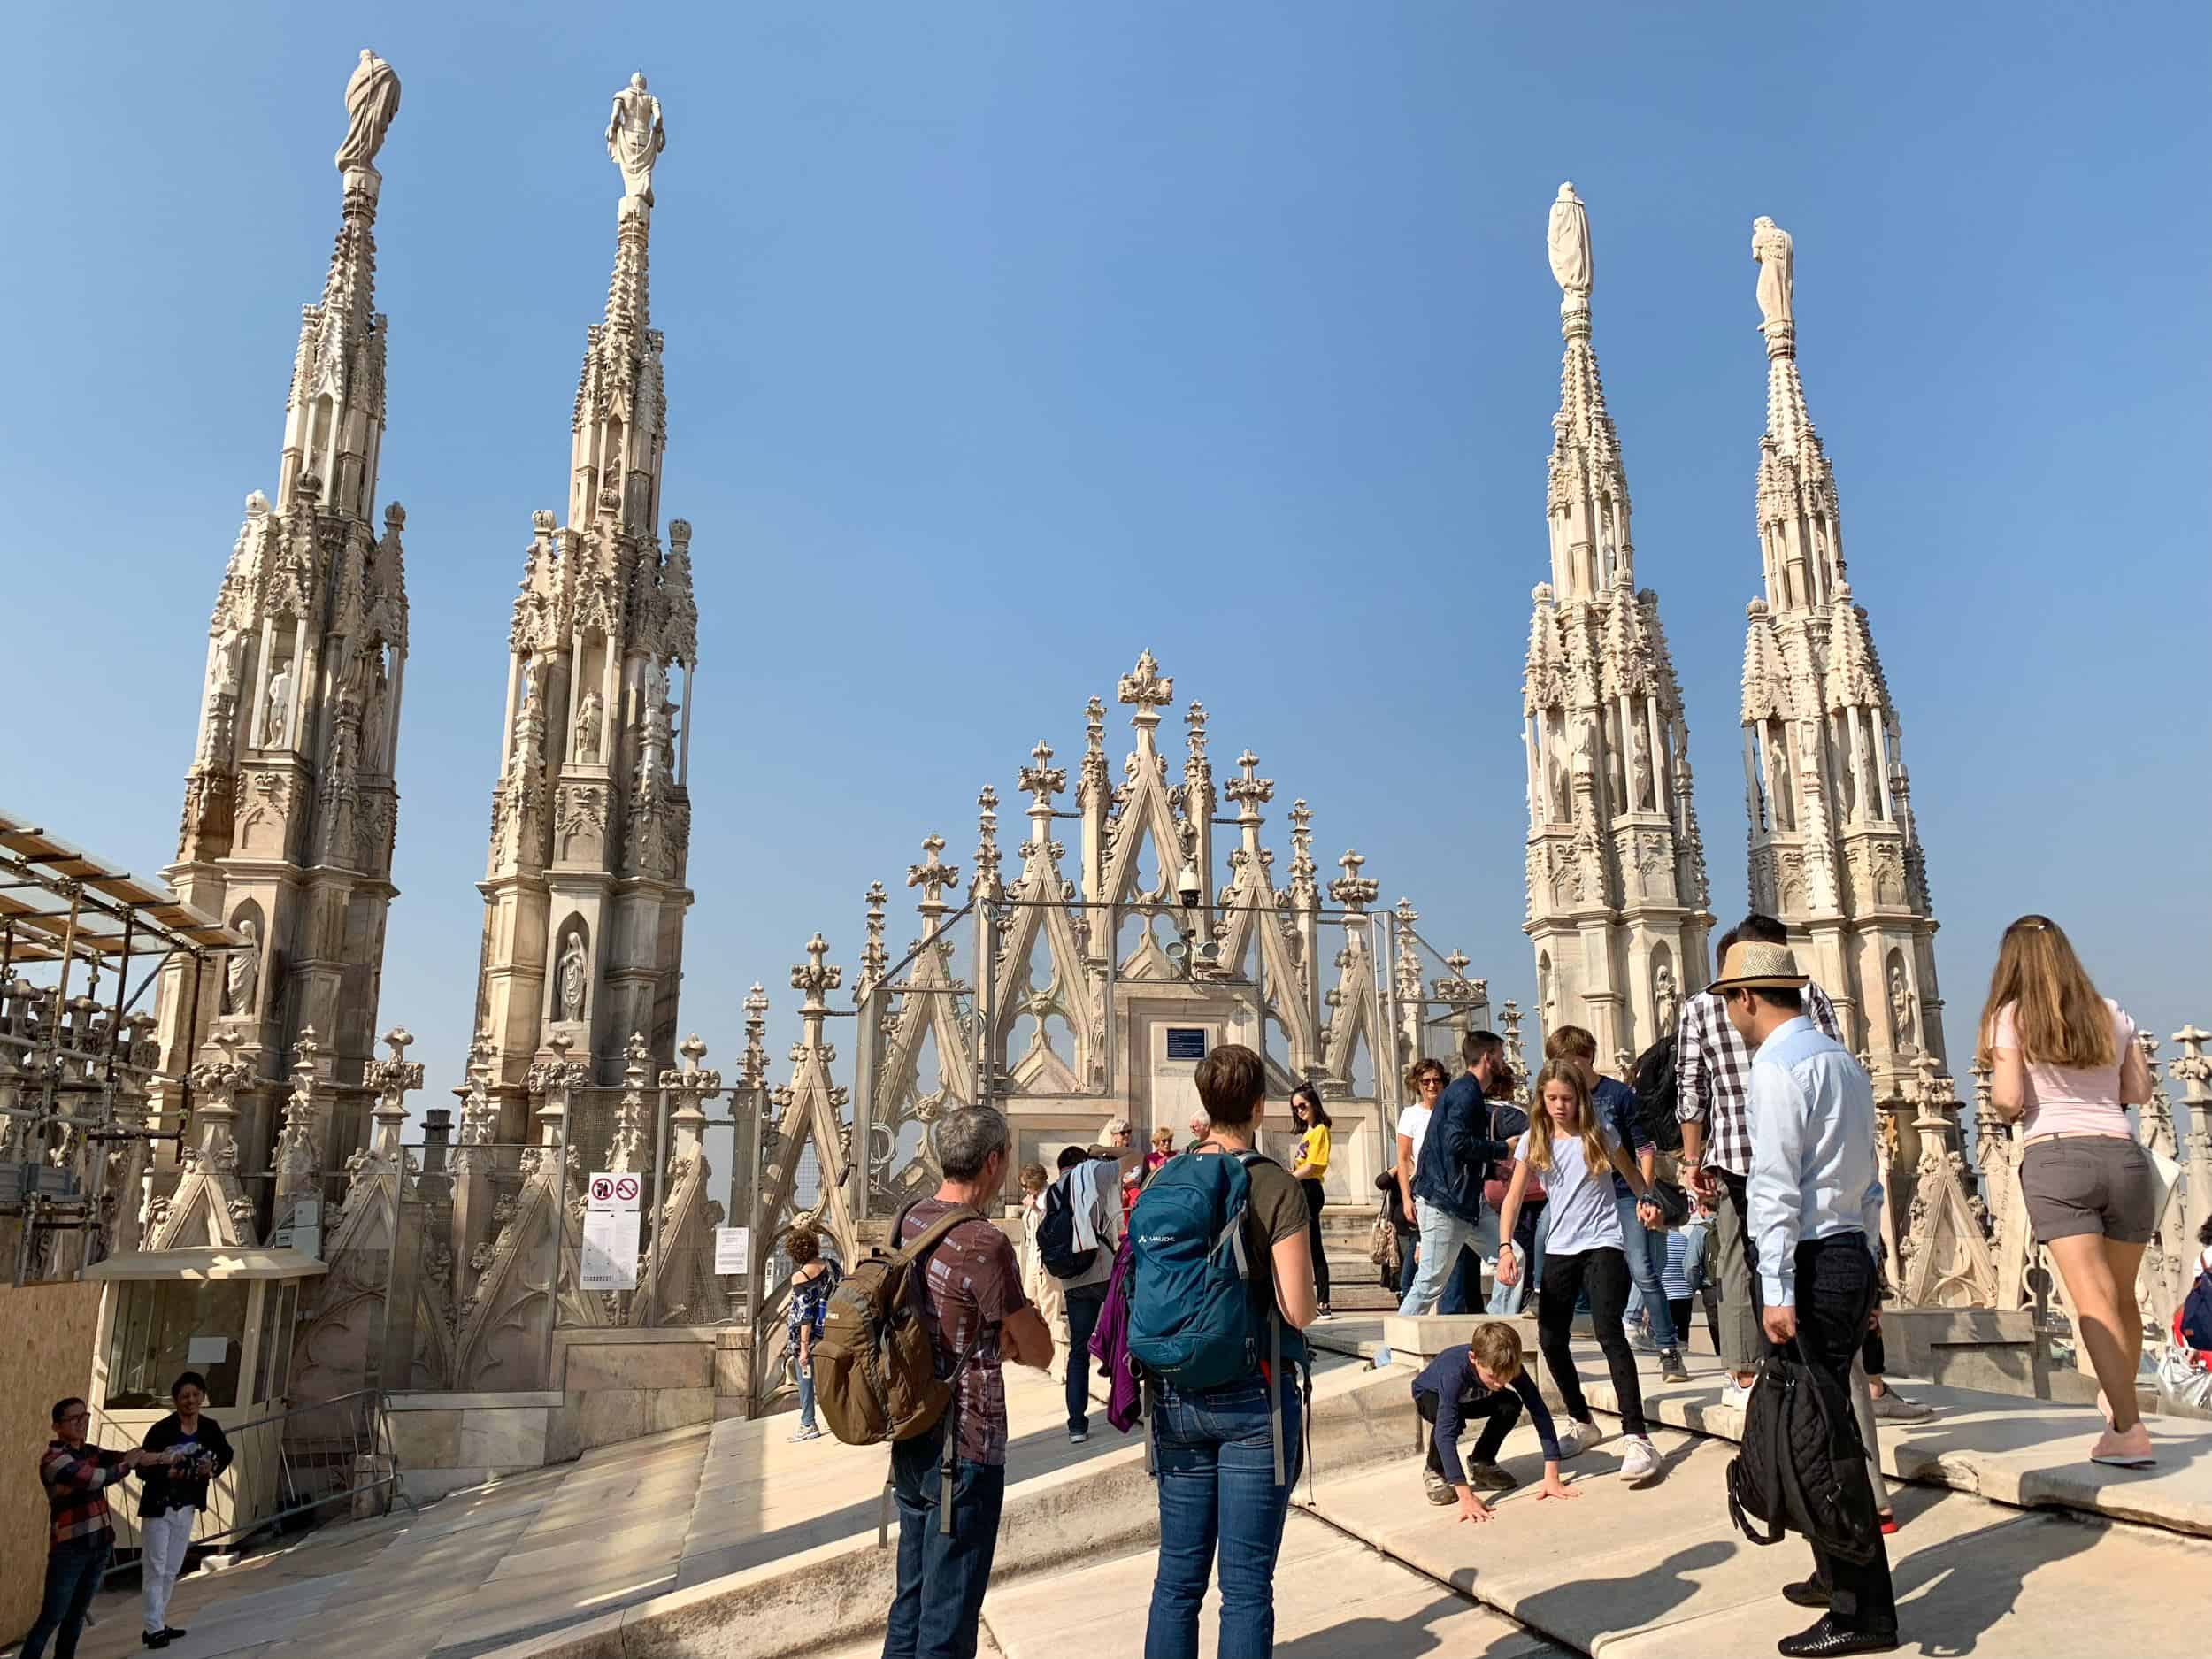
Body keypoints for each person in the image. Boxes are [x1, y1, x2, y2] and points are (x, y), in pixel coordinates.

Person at [1718, 938, 1899, 1657]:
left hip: (1811, 1260)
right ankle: (1833, 1567)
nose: (1731, 1012)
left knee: (1824, 1436)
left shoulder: (1776, 1067)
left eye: (1731, 999)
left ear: (1750, 999)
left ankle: (1864, 1609)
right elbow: (1871, 1178)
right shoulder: (1841, 1061)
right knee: (1820, 1422)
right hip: (1849, 1252)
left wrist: (1775, 1287)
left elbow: (1773, 1186)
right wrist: (1872, 1263)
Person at [1144, 1043, 1317, 1659]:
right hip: (1252, 1396)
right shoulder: (1272, 1182)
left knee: (1177, 1580)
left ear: (1203, 1102)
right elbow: (1298, 1309)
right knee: (1244, 1587)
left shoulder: (1165, 1175)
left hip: (1172, 1393)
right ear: (1259, 1105)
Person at [1979, 913, 2160, 1468]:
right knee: (2124, 1298)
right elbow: (2138, 1089)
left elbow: (2008, 1101)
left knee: (2091, 1299)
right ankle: (2120, 1409)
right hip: (2125, 1156)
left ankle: (2128, 1429)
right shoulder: (2112, 1013)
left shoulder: (2009, 1018)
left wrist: (2022, 1089)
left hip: (2057, 1156)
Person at [886, 1107, 1054, 1659]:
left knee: (910, 1602)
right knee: (949, 1618)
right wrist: (1008, 1337)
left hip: (912, 1431)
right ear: (993, 1160)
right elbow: (1038, 1348)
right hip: (964, 1445)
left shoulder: (910, 1217)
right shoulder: (983, 1242)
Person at [1678, 914, 1845, 1404]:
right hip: (1809, 1152)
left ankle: (1744, 1376)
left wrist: (1692, 1161)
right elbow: (1836, 1059)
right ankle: (1843, 1371)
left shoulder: (1696, 1007)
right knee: (1815, 1250)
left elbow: (1692, 1091)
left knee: (1736, 1262)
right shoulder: (1810, 997)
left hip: (1733, 1154)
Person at [1495, 1059, 1665, 1483]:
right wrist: (1505, 1248)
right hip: (1561, 1246)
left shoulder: (1599, 1133)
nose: (1559, 1106)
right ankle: (1582, 1420)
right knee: (1551, 1338)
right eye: (1551, 1098)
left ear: (1580, 1099)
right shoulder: (1535, 1139)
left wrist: (1647, 1201)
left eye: (1566, 1099)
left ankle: (1637, 1437)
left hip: (1603, 1240)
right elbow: (1514, 1197)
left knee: (1609, 1330)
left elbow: (1631, 1175)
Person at [1546, 1025, 1689, 1383]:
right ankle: (1540, 1294)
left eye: (1565, 1063)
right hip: (1583, 1193)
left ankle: (1669, 1348)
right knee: (1543, 1228)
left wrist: (1646, 1193)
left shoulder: (1618, 1095)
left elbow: (1643, 1146)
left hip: (1623, 1190)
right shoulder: (1561, 1097)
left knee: (1642, 1267)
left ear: (1584, 1057)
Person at [25, 1397, 169, 1659]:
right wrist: (129, 1464)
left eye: (85, 1416)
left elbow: (120, 1457)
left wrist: (158, 1457)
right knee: (53, 1616)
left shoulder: (89, 1452)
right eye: (74, 1418)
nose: (82, 1422)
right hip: (70, 1549)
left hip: (99, 1544)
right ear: (57, 1426)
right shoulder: (54, 1460)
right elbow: (95, 1478)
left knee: (77, 1615)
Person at [1401, 1033, 1517, 1317]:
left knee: (1513, 1257)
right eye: (1500, 1055)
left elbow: (1455, 1152)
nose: (1503, 1061)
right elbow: (1457, 1143)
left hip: (1467, 1202)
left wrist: (1491, 1168)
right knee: (1429, 1283)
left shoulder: (1466, 1092)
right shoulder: (1465, 1093)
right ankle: (1390, 1352)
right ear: (1488, 1058)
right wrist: (1503, 1149)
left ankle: (1498, 1329)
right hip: (1446, 1204)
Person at [1411, 1320, 1575, 1518]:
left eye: (1506, 1377)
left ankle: (1482, 1461)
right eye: (1492, 1376)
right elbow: (1445, 1433)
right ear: (1474, 1358)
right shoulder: (1454, 1372)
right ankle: (1435, 1469)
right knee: (1450, 1420)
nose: (1499, 1383)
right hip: (1430, 1394)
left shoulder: (1506, 1364)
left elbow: (1538, 1409)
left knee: (1510, 1403)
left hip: (1470, 1397)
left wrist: (1552, 1475)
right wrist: (1466, 1497)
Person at [137, 1370, 234, 1647]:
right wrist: (168, 1472)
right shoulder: (161, 1431)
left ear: (202, 1397)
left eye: (195, 1395)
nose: (190, 1401)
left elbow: (226, 1453)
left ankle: (157, 1620)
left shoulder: (209, 1428)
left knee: (172, 1566)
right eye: (184, 1397)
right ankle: (153, 1627)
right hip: (160, 1505)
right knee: (155, 1566)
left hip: (188, 1504)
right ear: (175, 1400)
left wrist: (212, 1468)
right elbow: (143, 1468)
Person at [1054, 1141, 1124, 1444]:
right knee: (1123, 1337)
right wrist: (1101, 1150)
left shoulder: (1051, 1190)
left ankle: (1077, 1425)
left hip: (1072, 1278)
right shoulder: (1094, 1173)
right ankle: (1125, 1403)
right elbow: (1136, 1155)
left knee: (1078, 1351)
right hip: (1103, 1269)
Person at [1482, 1088, 1545, 1317]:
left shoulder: (1484, 1113)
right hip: (1525, 1194)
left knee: (1519, 1248)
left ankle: (1508, 1308)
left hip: (1503, 1195)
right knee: (1523, 1248)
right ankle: (1519, 1301)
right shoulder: (1511, 1115)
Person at [1395, 1058, 1448, 1299]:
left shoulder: (1451, 1111)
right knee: (1424, 1255)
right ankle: (1410, 1302)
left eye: (1436, 1080)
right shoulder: (1411, 1115)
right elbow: (1404, 1160)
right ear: (1417, 1085)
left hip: (1451, 1191)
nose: (1431, 1086)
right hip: (1425, 1192)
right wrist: (1407, 1199)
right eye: (1425, 1081)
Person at [784, 1230, 839, 1442]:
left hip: (808, 1338)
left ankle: (808, 1423)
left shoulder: (800, 1277)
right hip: (832, 1330)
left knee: (805, 1379)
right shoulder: (832, 1265)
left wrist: (804, 1347)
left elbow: (805, 1315)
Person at [1018, 1162, 1067, 1381]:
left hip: (1047, 1264)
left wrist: (1035, 1208)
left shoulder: (1049, 1197)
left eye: (1026, 1186)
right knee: (1031, 1307)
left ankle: (1060, 1364)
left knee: (1052, 1312)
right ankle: (1040, 1356)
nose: (1025, 1190)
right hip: (1033, 1262)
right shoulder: (1035, 1199)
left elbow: (1050, 1226)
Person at [1288, 1083, 1333, 1317]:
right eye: (1296, 1108)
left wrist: (1291, 1177)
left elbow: (1315, 1164)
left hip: (1310, 1188)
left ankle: (1324, 1301)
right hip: (1301, 1187)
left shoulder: (1320, 1130)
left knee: (1314, 1245)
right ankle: (1309, 1297)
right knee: (1304, 1244)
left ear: (1313, 1103)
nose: (1299, 1111)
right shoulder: (1307, 1132)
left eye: (1303, 1106)